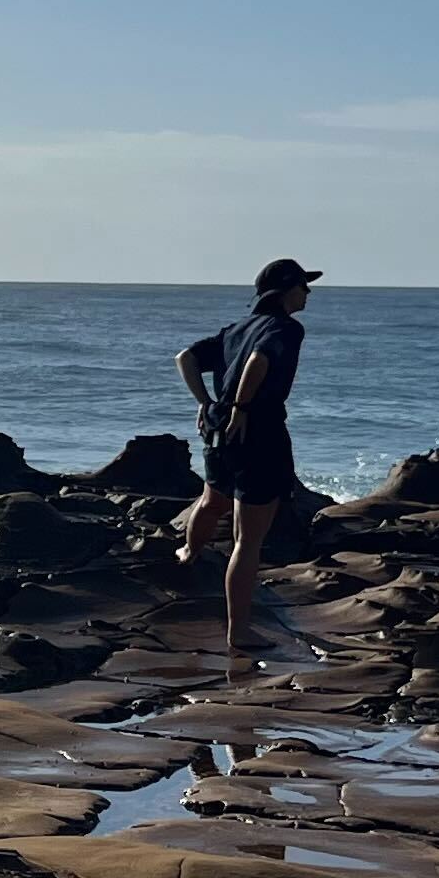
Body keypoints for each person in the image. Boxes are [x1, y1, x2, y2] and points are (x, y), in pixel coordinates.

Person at [173, 259, 317, 663]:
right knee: (247, 539)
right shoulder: (286, 328)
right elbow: (260, 361)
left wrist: (206, 403)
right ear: (287, 289)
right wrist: (241, 405)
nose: (309, 294)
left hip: (219, 429)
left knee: (213, 498)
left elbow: (184, 357)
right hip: (259, 431)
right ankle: (240, 632)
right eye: (304, 286)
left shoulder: (234, 329)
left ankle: (188, 552)